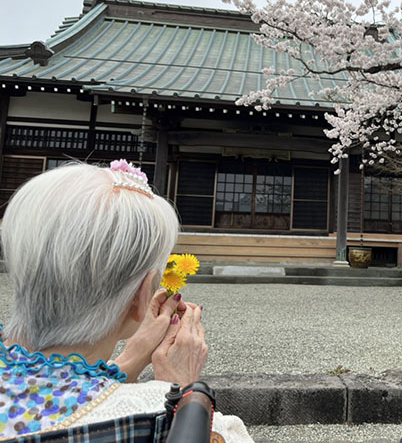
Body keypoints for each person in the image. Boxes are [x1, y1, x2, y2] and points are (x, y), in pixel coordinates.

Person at [0, 161, 253, 442]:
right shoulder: (153, 419)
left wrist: (130, 360)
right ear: (142, 295)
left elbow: (53, 395)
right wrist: (181, 393)